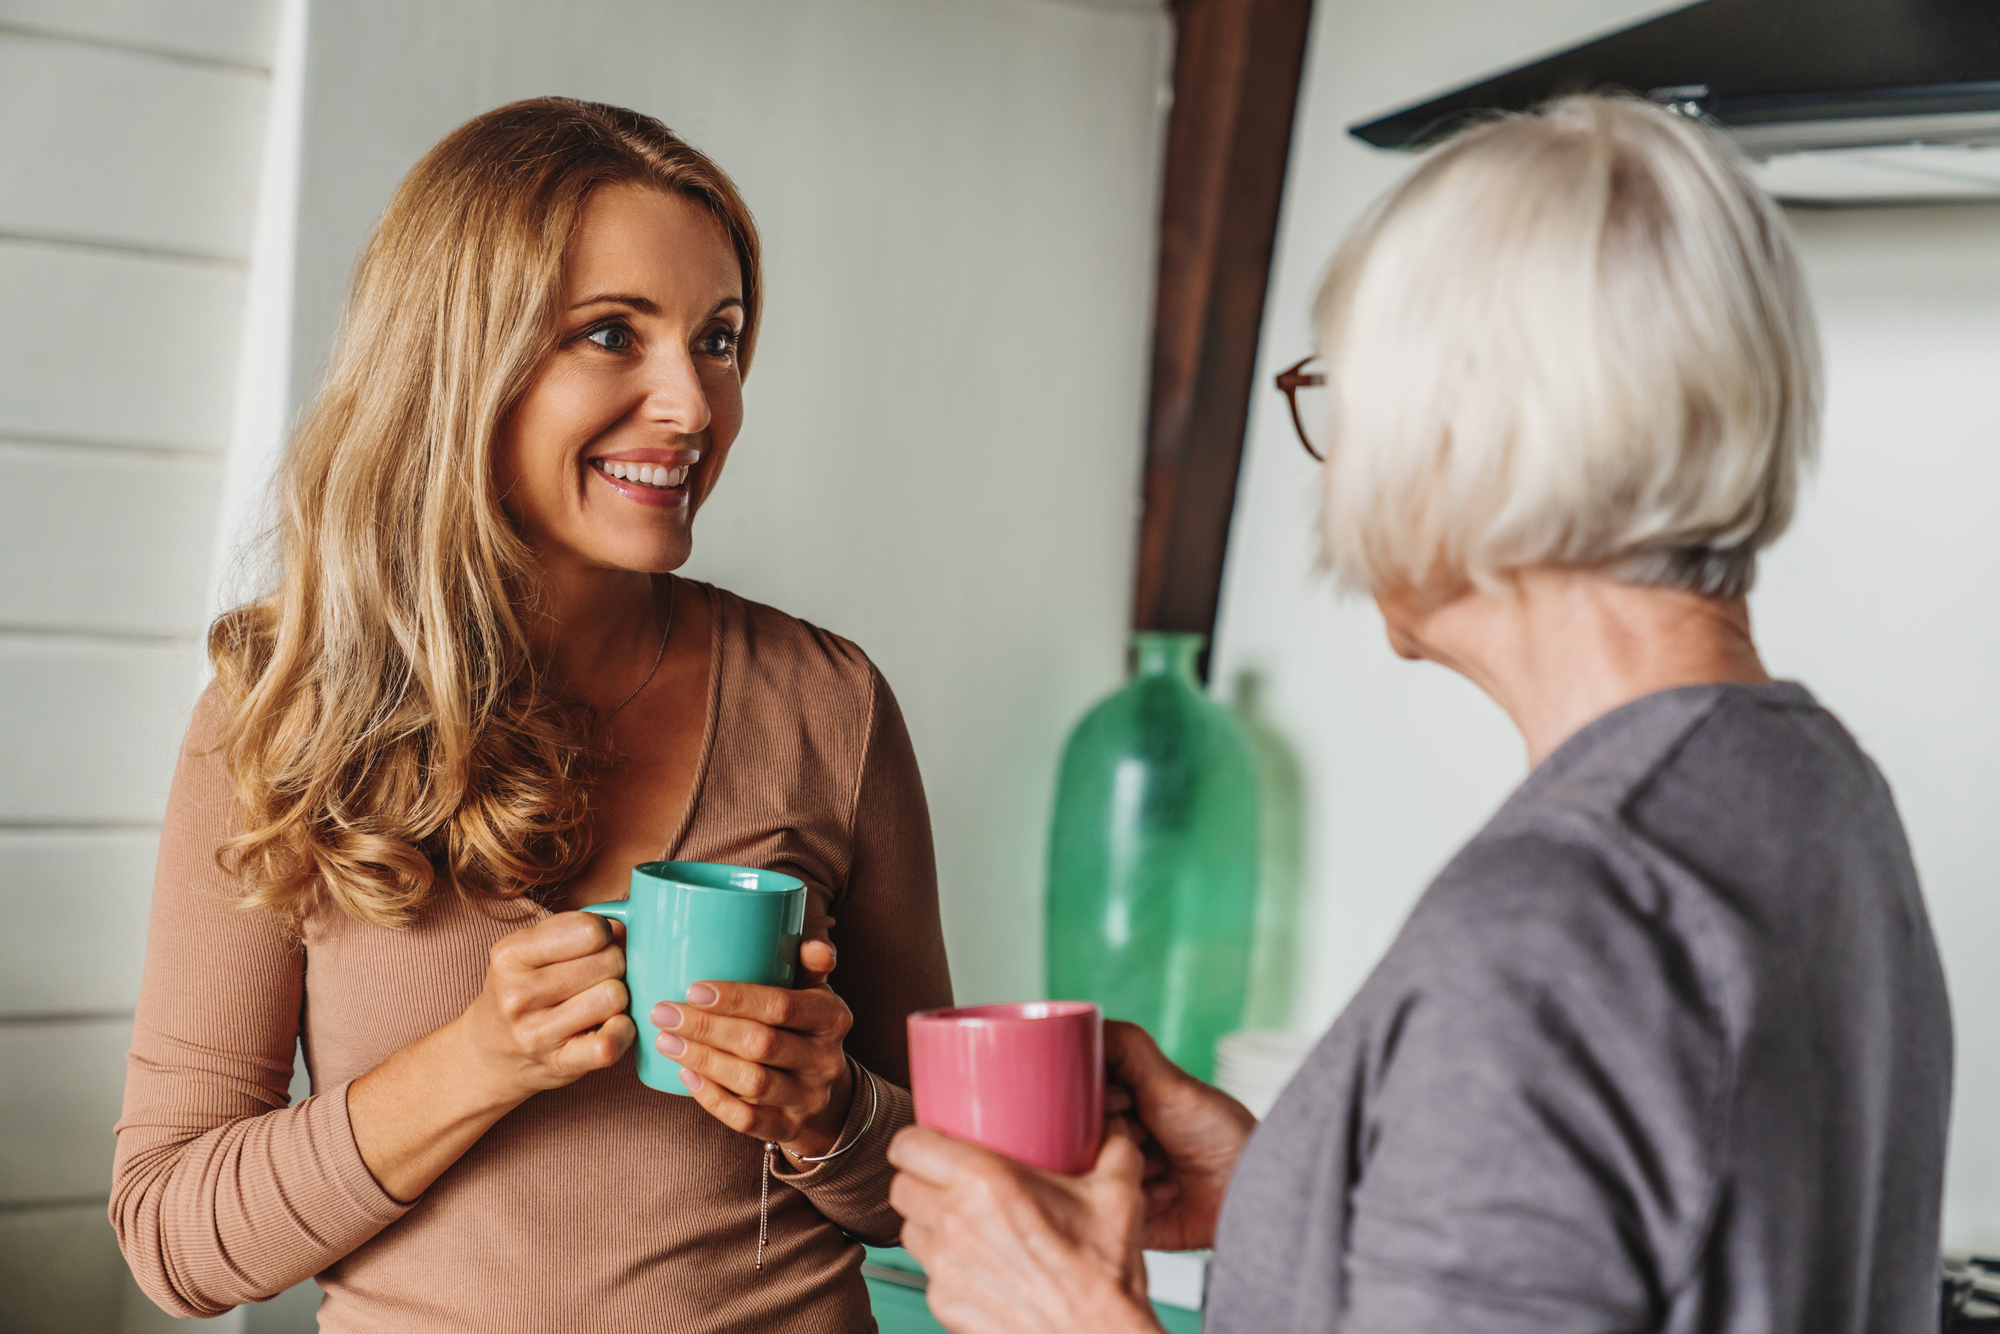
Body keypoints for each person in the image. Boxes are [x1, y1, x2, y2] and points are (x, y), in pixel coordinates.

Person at [887, 95, 1952, 1334]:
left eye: (1348, 400)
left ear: (1456, 438)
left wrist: (1063, 1315)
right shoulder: (1819, 794)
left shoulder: (1553, 922)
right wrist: (1288, 1187)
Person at [111, 98, 952, 1331]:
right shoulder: (278, 714)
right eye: (612, 333)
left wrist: (828, 1109)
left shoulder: (829, 703)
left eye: (717, 339)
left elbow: (947, 1178)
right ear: (460, 360)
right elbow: (173, 1238)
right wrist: (472, 1062)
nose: (693, 403)